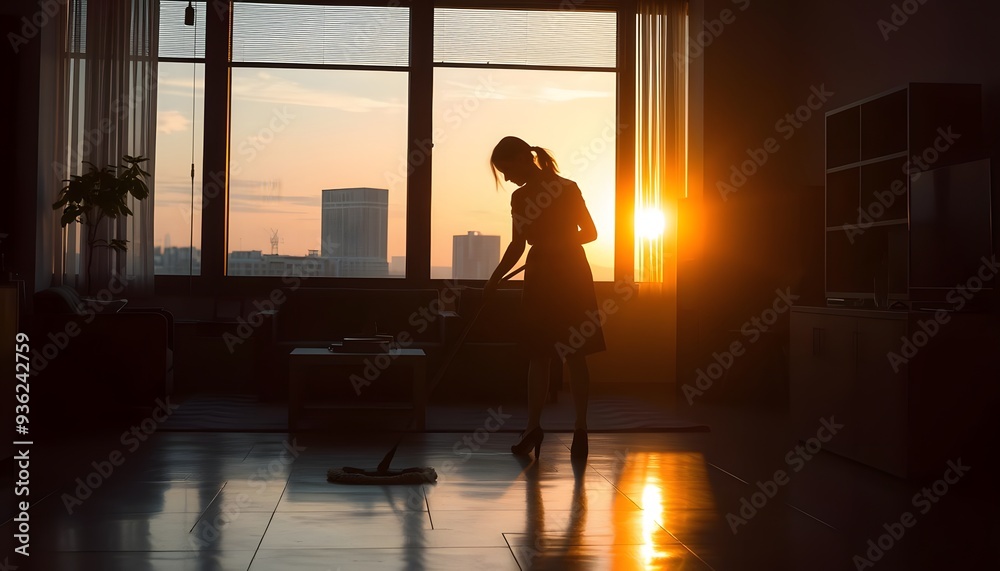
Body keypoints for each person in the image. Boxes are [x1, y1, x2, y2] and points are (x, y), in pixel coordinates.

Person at [484, 135, 606, 461]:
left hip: (553, 276)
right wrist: (494, 278)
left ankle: (538, 428)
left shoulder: (534, 195)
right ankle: (571, 430)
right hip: (563, 274)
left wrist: (554, 243)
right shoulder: (556, 190)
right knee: (562, 355)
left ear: (526, 159)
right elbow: (586, 234)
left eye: (507, 170)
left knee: (545, 355)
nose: (507, 178)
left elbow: (589, 233)